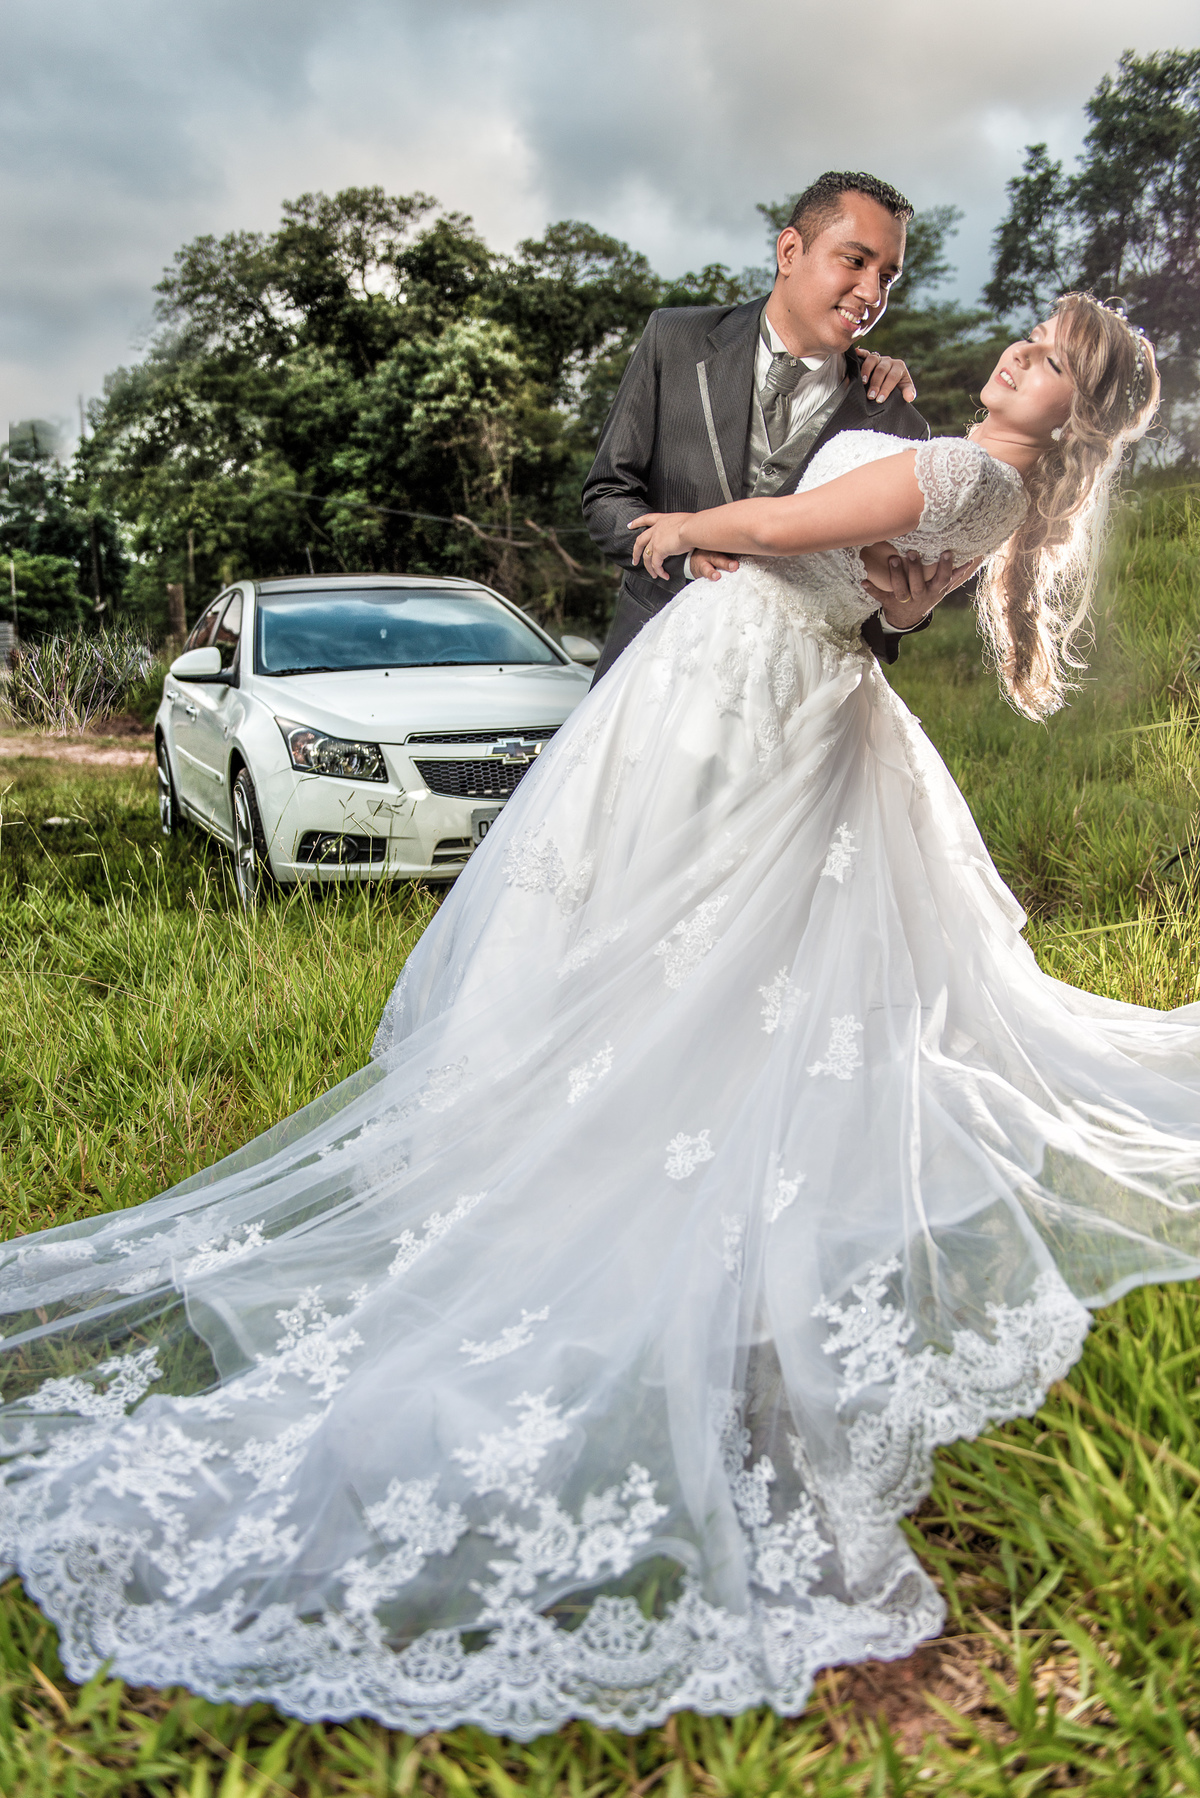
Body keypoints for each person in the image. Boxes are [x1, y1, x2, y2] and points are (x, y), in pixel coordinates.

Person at [0, 295, 1193, 1747]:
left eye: (1053, 365)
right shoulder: (986, 489)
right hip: (779, 686)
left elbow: (773, 530)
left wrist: (685, 531)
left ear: (1073, 413)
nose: (1022, 358)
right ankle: (607, 1116)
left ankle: (581, 1139)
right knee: (688, 942)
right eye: (1032, 340)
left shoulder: (963, 473)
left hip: (742, 677)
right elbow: (890, 600)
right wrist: (833, 541)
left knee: (648, 927)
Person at [583, 170, 974, 682]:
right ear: (790, 252)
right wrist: (685, 551)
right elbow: (607, 496)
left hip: (797, 698)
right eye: (855, 261)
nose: (872, 292)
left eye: (888, 276)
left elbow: (877, 609)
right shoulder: (674, 340)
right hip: (647, 675)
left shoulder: (897, 421)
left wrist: (902, 616)